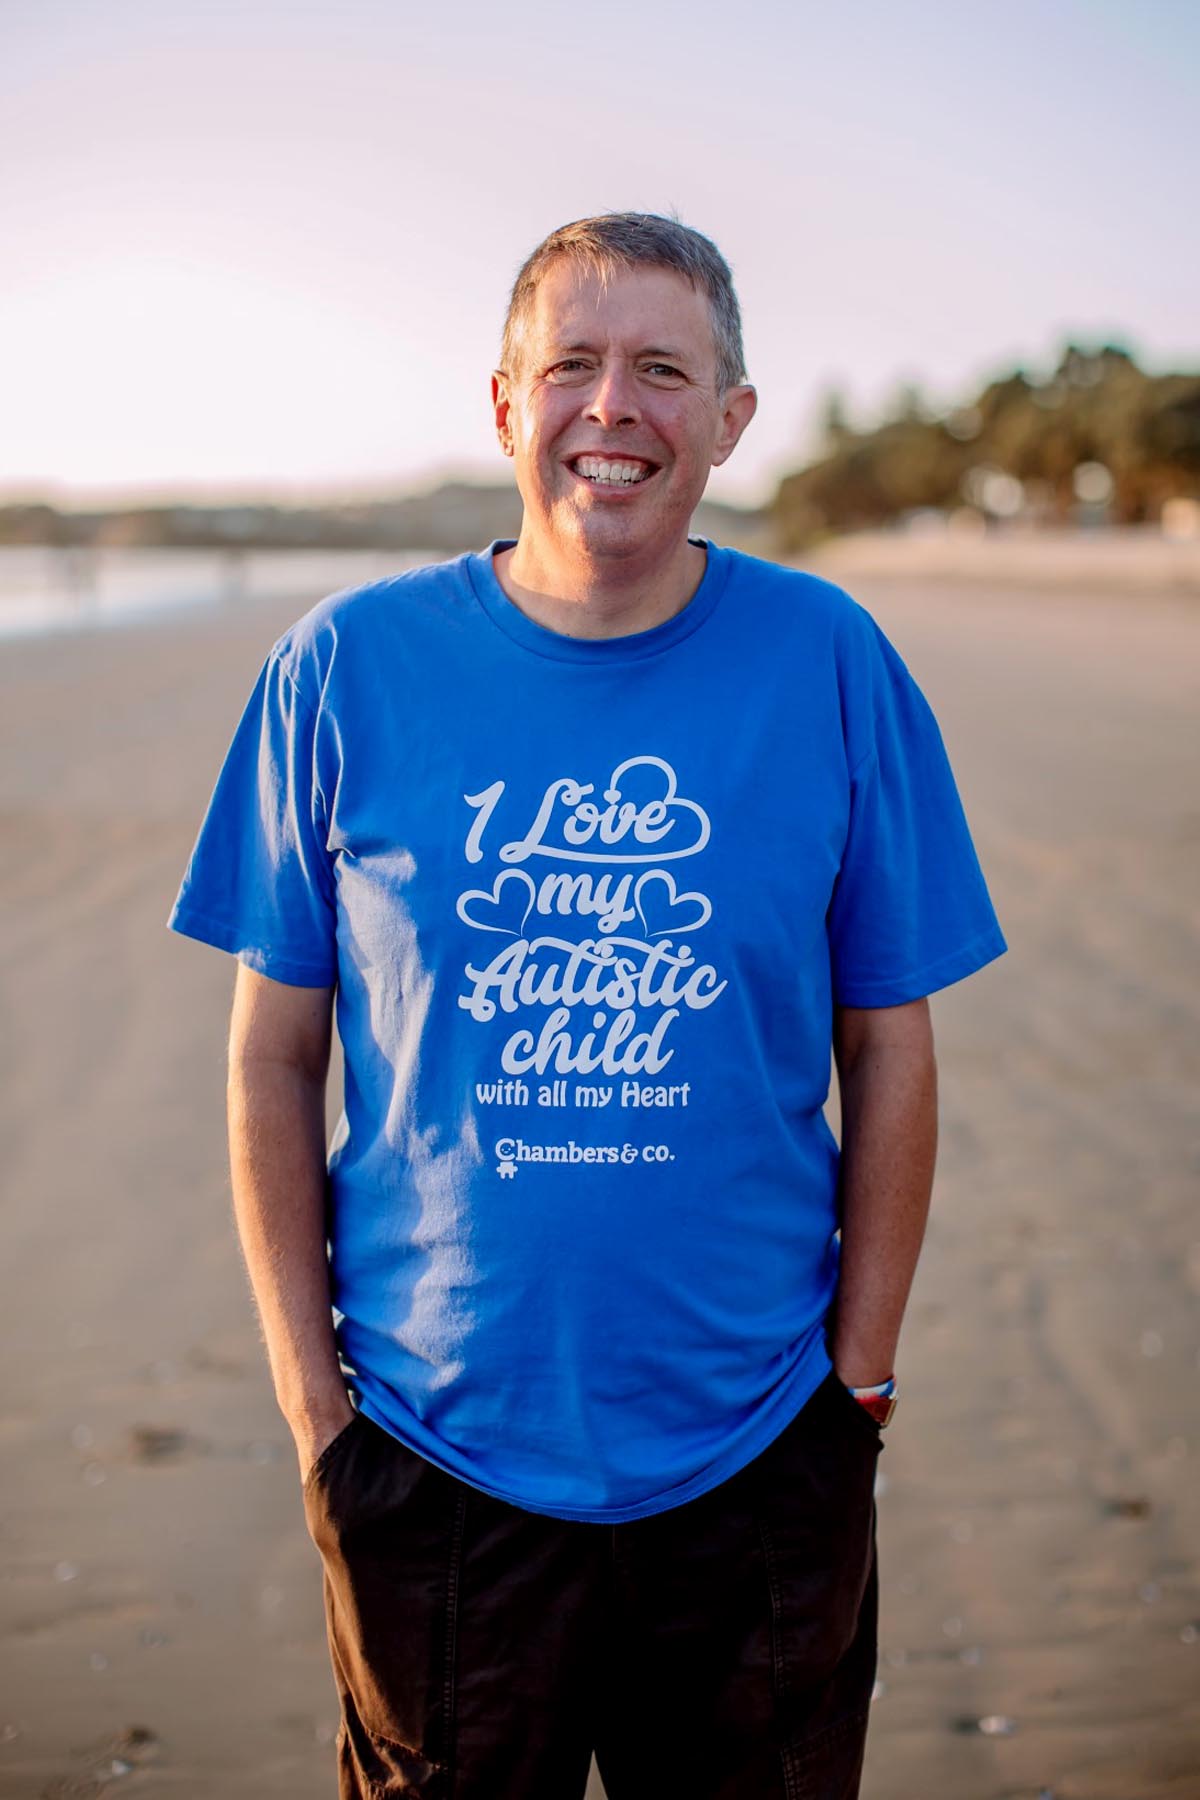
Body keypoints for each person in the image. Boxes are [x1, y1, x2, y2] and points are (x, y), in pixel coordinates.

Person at [168, 211, 1007, 1799]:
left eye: (663, 371)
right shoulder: (341, 669)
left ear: (732, 420)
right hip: (433, 1461)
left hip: (761, 1456)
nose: (611, 407)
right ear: (504, 405)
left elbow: (890, 1041)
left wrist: (860, 1389)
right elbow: (271, 1059)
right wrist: (315, 1420)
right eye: (572, 365)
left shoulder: (828, 660)